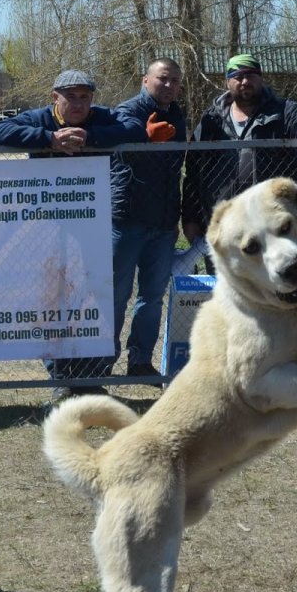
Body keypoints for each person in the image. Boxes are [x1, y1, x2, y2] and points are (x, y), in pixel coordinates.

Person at [0, 69, 145, 396]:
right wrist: (50, 140)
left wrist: (91, 138)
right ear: (54, 97)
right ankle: (59, 377)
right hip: (47, 224)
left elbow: (134, 128)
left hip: (91, 224)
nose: (78, 103)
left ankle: (89, 379)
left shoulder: (100, 118)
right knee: (52, 298)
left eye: (84, 96)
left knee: (91, 296)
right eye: (70, 96)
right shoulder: (40, 119)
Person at [183, 53, 297, 240]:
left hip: (274, 218)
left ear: (261, 79)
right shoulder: (211, 120)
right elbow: (193, 172)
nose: (245, 81)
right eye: (238, 76)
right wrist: (191, 219)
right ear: (227, 82)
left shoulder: (284, 111)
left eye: (251, 75)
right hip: (224, 220)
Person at [107, 58, 187, 379]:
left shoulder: (178, 115)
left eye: (175, 81)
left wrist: (176, 216)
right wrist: (146, 139)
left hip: (164, 224)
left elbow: (176, 168)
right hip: (127, 221)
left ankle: (139, 362)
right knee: (116, 295)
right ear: (145, 80)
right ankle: (102, 362)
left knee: (152, 297)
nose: (169, 86)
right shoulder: (127, 111)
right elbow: (120, 151)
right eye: (162, 79)